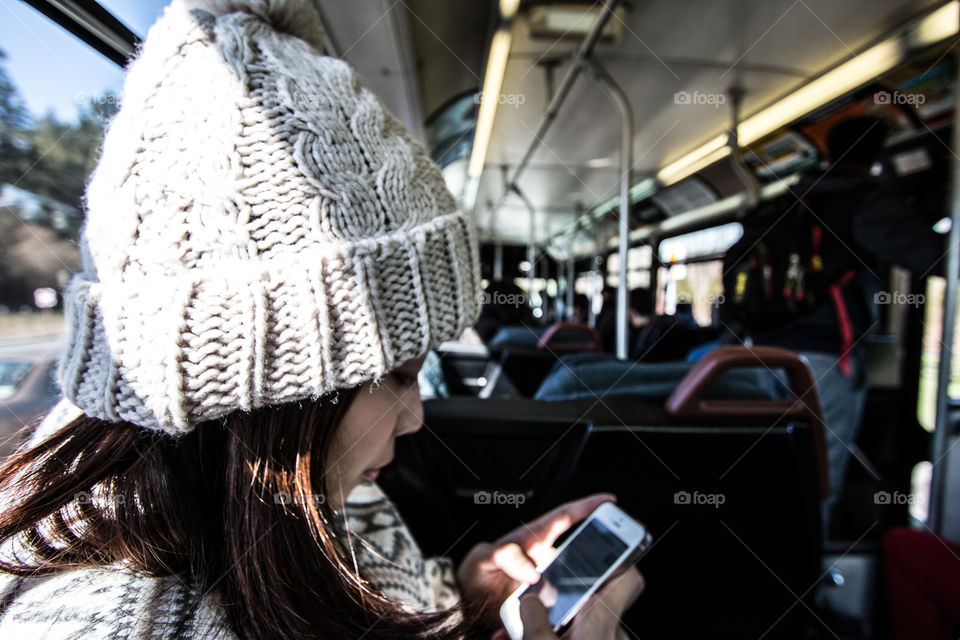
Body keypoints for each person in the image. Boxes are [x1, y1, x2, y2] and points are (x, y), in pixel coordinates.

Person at [0, 2, 643, 638]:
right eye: (394, 373)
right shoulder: (104, 621)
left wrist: (470, 598)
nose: (416, 417)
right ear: (269, 387)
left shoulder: (308, 485)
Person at [747, 116, 943, 524]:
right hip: (821, 359)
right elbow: (932, 256)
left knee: (769, 466)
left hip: (758, 356)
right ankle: (806, 580)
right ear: (875, 155)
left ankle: (768, 564)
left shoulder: (789, 199)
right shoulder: (866, 202)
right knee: (819, 476)